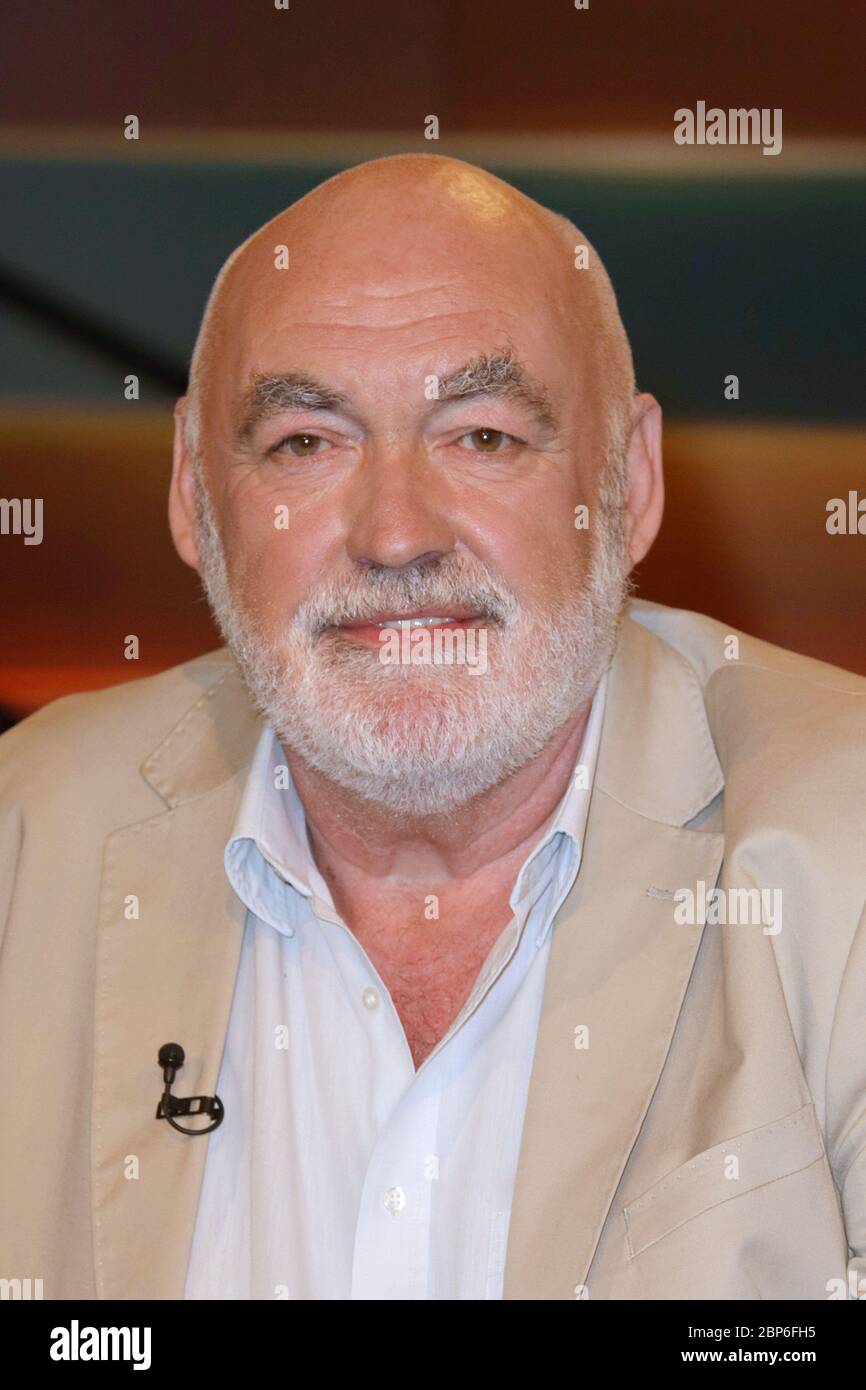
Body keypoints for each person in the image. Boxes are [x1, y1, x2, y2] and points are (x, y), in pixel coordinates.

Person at [0, 154, 863, 1301]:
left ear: (626, 481)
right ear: (195, 498)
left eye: (481, 436)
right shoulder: (26, 841)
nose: (395, 534)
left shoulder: (843, 847)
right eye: (305, 441)